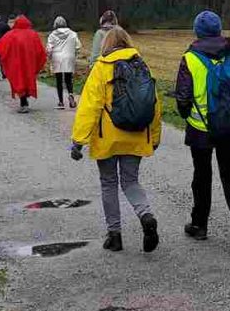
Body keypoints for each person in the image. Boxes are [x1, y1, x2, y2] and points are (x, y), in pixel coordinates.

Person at [70, 26, 163, 252]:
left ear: (106, 44)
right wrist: (155, 136)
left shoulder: (102, 68)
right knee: (131, 181)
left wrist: (78, 140)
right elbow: (154, 104)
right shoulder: (141, 65)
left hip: (108, 138)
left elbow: (89, 107)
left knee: (109, 183)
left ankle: (115, 235)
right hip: (136, 135)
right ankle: (146, 214)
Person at [175, 10, 230, 259]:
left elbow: (183, 98)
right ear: (219, 30)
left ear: (196, 31)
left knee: (202, 176)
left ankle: (199, 224)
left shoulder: (190, 58)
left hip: (201, 130)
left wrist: (189, 115)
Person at [0, 15, 47, 112]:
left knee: (19, 79)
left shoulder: (11, 34)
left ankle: (23, 101)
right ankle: (25, 98)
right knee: (27, 78)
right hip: (30, 63)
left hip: (16, 63)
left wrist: (4, 59)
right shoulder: (33, 34)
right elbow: (40, 51)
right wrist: (37, 62)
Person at [46, 16, 82, 109]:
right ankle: (70, 95)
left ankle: (61, 102)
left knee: (59, 80)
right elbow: (78, 46)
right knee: (68, 79)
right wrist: (74, 54)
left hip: (57, 58)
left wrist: (49, 57)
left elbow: (49, 48)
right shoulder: (73, 34)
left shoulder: (52, 35)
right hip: (69, 57)